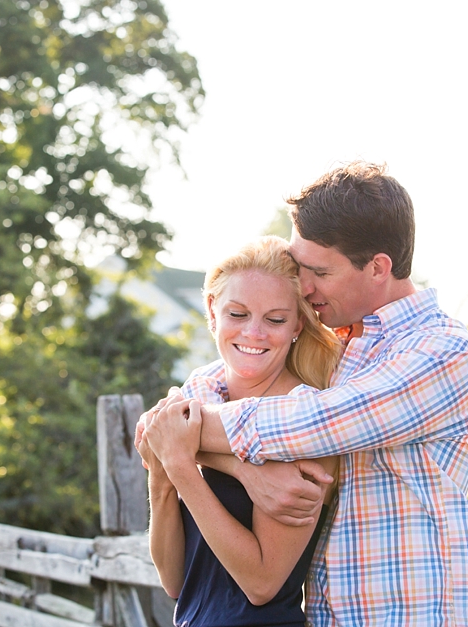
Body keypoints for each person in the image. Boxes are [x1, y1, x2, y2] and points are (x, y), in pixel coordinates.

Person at [148, 162, 468, 626]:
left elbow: (305, 425)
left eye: (317, 270)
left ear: (377, 268)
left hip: (417, 613)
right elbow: (175, 415)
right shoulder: (335, 350)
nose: (304, 285)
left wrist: (178, 437)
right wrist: (244, 471)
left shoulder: (441, 353)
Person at [137, 236, 342, 626]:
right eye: (238, 314)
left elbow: (262, 584)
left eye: (275, 319)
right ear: (212, 311)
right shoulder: (200, 401)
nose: (254, 333)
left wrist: (179, 463)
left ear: (298, 323)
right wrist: (163, 481)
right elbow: (175, 581)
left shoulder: (301, 423)